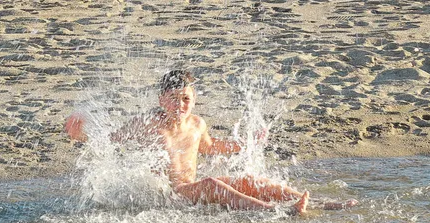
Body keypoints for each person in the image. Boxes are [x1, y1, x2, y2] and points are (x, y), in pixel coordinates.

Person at [66, 70, 355, 213]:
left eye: (186, 99)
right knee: (214, 185)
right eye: (173, 98)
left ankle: (320, 203)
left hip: (190, 189)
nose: (180, 105)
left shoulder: (196, 124)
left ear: (193, 100)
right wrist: (80, 134)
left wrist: (245, 143)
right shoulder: (147, 124)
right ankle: (273, 211)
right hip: (169, 196)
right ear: (161, 99)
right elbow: (111, 140)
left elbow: (211, 147)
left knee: (247, 179)